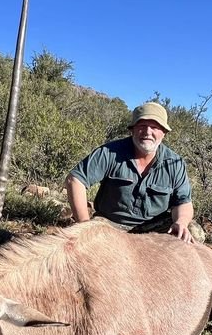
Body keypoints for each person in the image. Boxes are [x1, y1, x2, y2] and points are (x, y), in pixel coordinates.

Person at [65, 102, 201, 243]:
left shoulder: (175, 163)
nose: (148, 132)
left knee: (192, 233)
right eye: (142, 126)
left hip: (153, 226)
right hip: (110, 224)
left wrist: (181, 222)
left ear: (164, 133)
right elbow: (75, 180)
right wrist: (84, 225)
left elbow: (183, 202)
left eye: (154, 127)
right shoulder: (108, 152)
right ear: (133, 130)